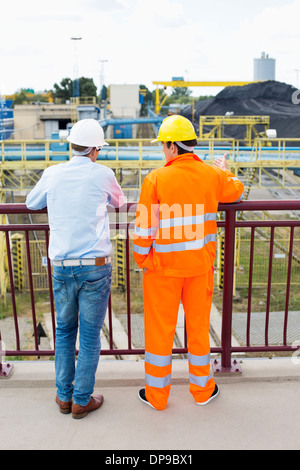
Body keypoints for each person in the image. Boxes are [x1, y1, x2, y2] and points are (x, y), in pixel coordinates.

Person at [133, 115, 244, 411]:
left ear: (171, 146)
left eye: (163, 146)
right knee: (197, 328)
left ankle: (157, 397)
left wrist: (143, 259)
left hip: (162, 270)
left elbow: (143, 230)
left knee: (160, 332)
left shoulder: (156, 179)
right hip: (199, 269)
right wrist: (226, 170)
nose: (162, 151)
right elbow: (236, 190)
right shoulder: (211, 175)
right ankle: (202, 391)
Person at [26, 119, 124, 419]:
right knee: (91, 335)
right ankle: (82, 400)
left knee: (65, 331)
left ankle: (63, 396)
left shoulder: (53, 173)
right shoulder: (104, 174)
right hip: (94, 267)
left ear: (72, 146)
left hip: (62, 267)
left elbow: (32, 203)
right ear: (95, 150)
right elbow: (119, 202)